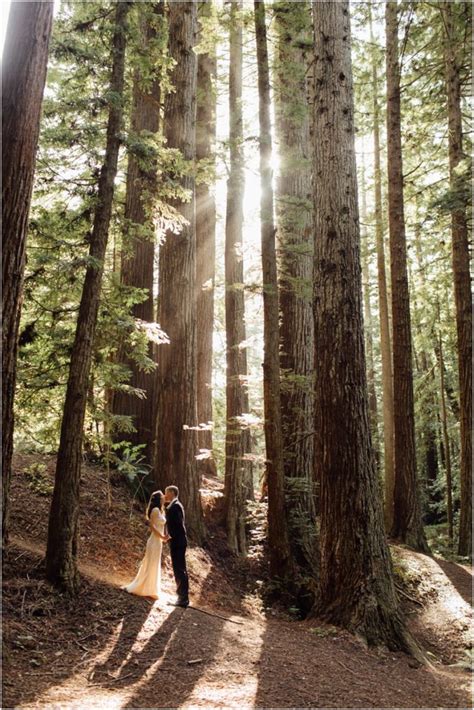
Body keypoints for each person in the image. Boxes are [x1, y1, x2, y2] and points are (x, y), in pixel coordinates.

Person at [123, 490, 169, 600]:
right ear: (158, 498)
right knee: (150, 563)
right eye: (162, 495)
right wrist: (162, 536)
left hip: (159, 541)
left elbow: (163, 525)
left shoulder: (162, 510)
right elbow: (152, 527)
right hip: (154, 541)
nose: (164, 496)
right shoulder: (155, 510)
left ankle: (151, 588)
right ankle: (144, 587)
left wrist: (165, 535)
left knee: (155, 563)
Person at [164, 485, 189, 608]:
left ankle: (183, 598)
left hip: (178, 542)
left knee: (180, 569)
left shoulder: (176, 506)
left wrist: (170, 536)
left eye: (166, 492)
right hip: (176, 542)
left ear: (172, 493)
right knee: (178, 569)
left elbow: (179, 526)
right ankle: (181, 596)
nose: (165, 495)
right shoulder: (172, 506)